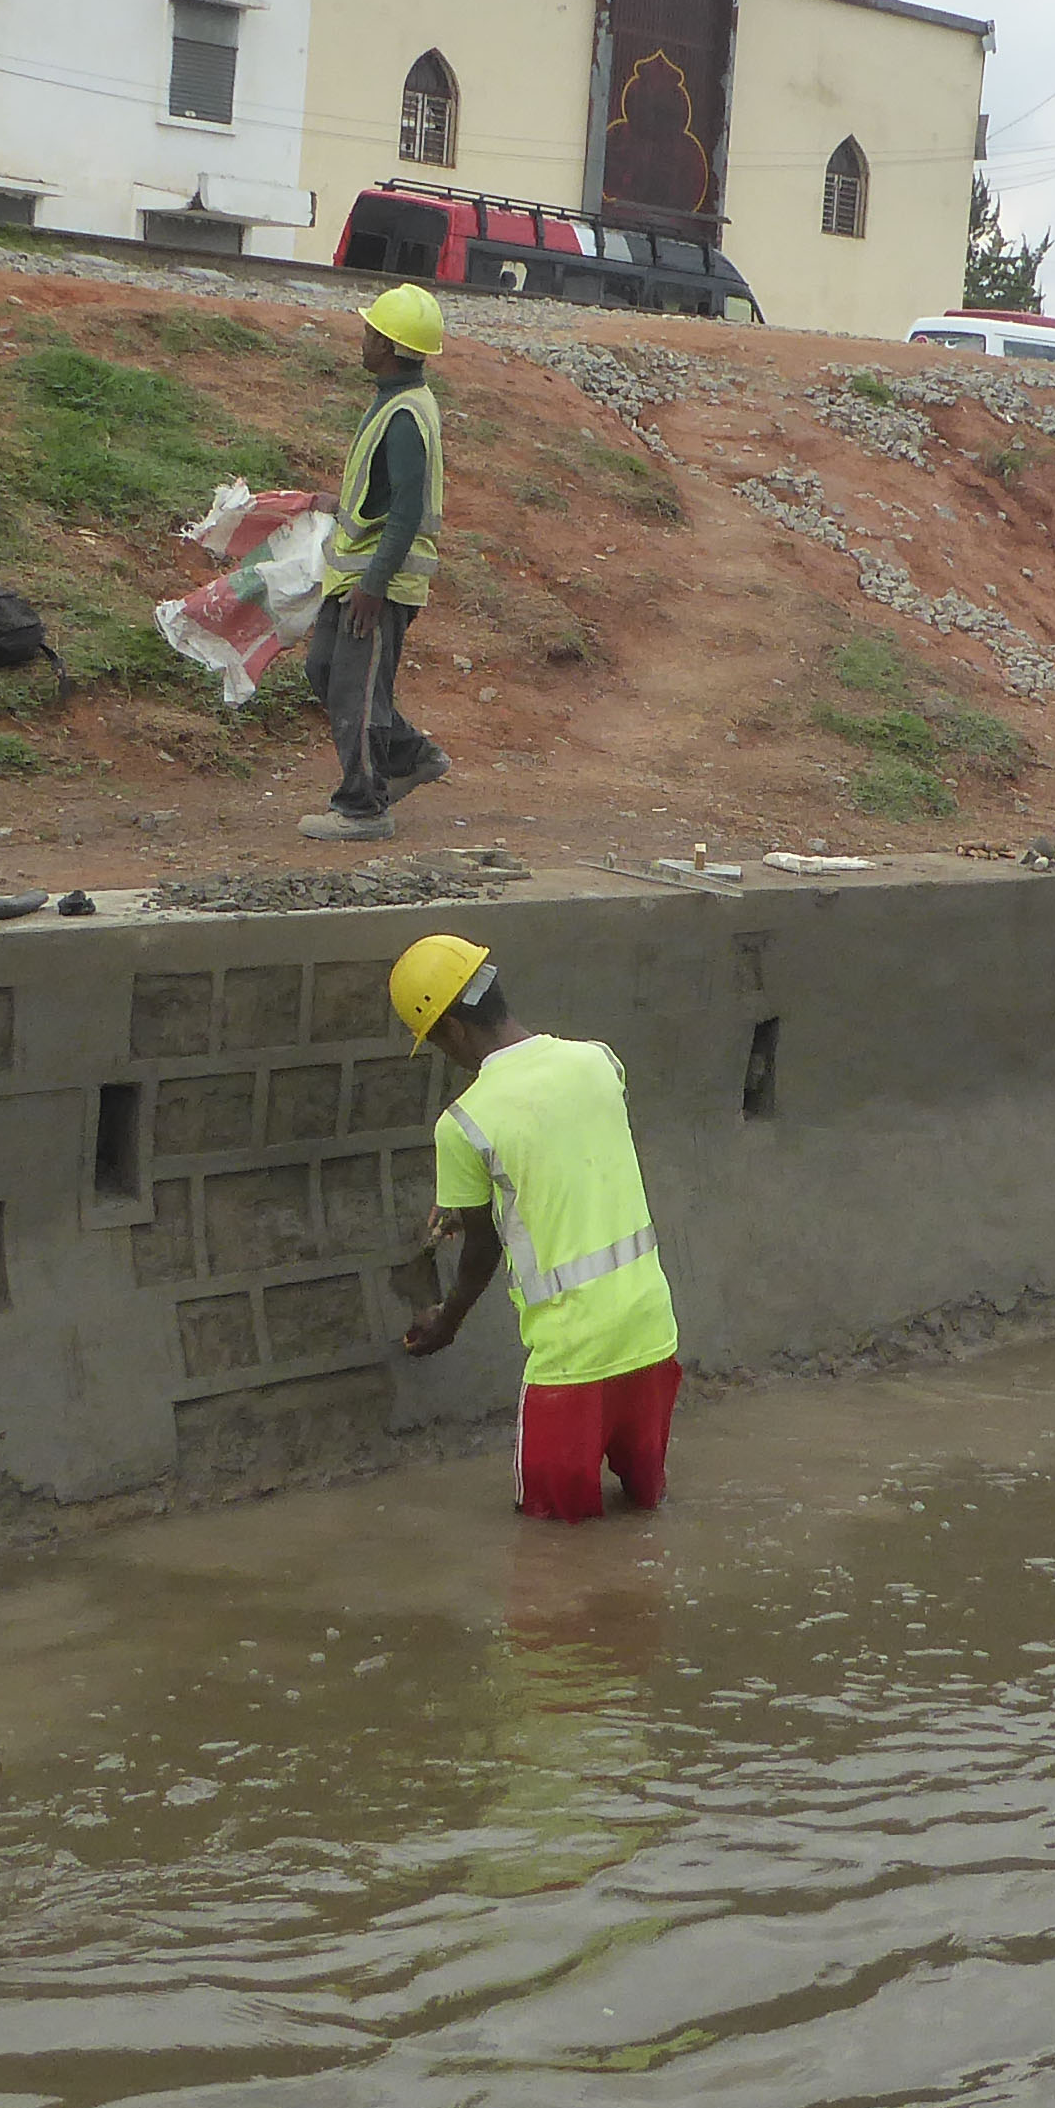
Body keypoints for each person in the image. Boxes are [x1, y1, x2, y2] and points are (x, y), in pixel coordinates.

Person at [394, 934, 682, 1522]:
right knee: (646, 1513)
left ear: (450, 1031)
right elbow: (567, 1152)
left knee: (552, 1548)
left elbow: (482, 1245)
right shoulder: (599, 1061)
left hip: (571, 1358)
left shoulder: (465, 1124)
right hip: (653, 1332)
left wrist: (446, 1320)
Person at [304, 281, 453, 842]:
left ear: (389, 345)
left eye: (371, 333)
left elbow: (409, 508)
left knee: (357, 691)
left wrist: (374, 582)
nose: (362, 339)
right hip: (358, 576)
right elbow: (384, 495)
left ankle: (363, 807)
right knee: (324, 669)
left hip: (377, 583)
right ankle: (410, 756)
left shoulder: (404, 415)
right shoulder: (395, 401)